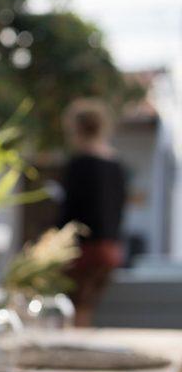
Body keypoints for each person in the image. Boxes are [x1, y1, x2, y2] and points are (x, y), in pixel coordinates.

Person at [59, 98, 128, 327]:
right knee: (87, 306)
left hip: (83, 248)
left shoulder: (79, 164)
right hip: (110, 248)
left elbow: (69, 210)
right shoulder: (116, 165)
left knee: (77, 306)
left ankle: (76, 353)